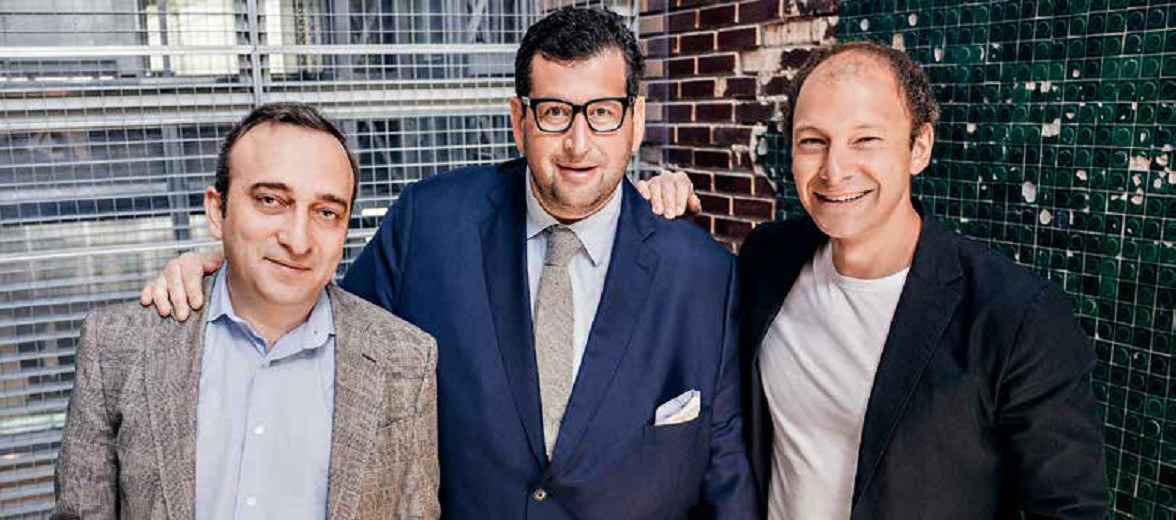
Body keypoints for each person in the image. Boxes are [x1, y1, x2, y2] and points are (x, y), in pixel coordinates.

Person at [138, 8, 757, 519]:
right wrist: (229, 270)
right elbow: (325, 337)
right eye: (554, 112)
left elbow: (724, 466)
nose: (578, 142)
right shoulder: (429, 223)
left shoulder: (703, 273)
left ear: (635, 120)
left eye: (602, 112)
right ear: (518, 120)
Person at [641, 41, 1107, 518]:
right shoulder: (769, 257)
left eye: (865, 140)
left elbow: (1071, 510)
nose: (835, 170)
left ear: (918, 147)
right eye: (813, 141)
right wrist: (655, 221)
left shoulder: (1015, 316)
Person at [54, 103, 440, 520]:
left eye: (326, 213)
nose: (298, 240)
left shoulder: (405, 359)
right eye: (271, 200)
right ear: (216, 210)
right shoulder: (117, 345)